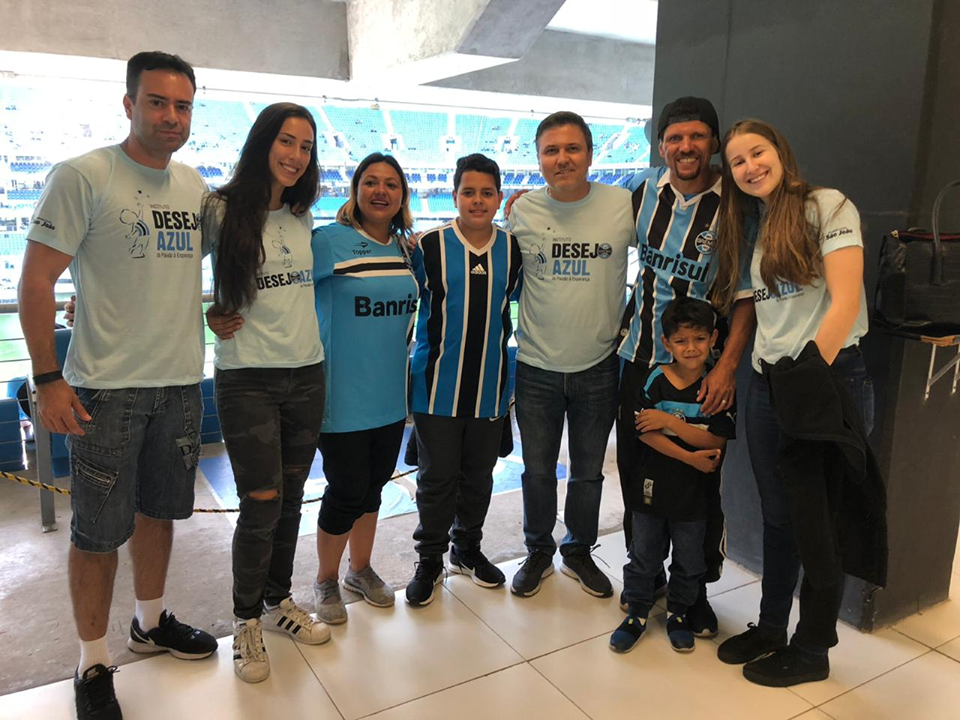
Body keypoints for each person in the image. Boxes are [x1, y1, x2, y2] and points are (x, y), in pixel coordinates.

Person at [17, 51, 216, 720]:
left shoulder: (194, 187)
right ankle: (92, 657)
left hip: (181, 385)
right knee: (96, 534)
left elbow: (226, 256)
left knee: (160, 513)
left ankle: (151, 621)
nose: (169, 116)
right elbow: (37, 281)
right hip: (104, 389)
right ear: (129, 103)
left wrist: (224, 309)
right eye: (156, 102)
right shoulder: (84, 175)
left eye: (182, 105)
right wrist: (47, 377)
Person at [713, 119, 878, 687]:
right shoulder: (755, 226)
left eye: (756, 153)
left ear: (779, 152)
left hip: (823, 382)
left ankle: (813, 650)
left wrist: (805, 380)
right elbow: (766, 311)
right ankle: (771, 627)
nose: (750, 166)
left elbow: (846, 299)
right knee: (779, 517)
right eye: (737, 162)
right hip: (767, 382)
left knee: (819, 524)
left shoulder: (828, 207)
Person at [616, 97, 756, 636]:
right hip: (638, 359)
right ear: (661, 146)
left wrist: (726, 370)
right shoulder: (644, 189)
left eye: (697, 136)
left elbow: (745, 297)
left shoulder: (737, 207)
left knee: (701, 483)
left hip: (703, 370)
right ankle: (645, 578)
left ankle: (694, 591)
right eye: (675, 138)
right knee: (638, 476)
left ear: (714, 143)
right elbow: (579, 199)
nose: (685, 147)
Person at [203, 103, 330, 683]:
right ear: (262, 143)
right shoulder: (222, 210)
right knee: (260, 502)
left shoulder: (303, 216)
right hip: (247, 377)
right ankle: (245, 621)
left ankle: (279, 602)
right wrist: (203, 312)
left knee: (293, 498)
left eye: (305, 146)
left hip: (307, 373)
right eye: (286, 141)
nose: (295, 155)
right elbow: (169, 271)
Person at [507, 111, 635, 599]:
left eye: (572, 149)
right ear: (539, 158)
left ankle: (578, 549)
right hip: (536, 365)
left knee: (587, 471)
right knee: (537, 470)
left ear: (590, 152)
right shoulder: (522, 211)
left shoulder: (623, 204)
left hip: (599, 364)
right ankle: (538, 549)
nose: (562, 159)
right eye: (551, 151)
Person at [404, 153, 521, 606]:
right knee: (436, 479)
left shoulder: (512, 250)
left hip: (490, 388)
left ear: (497, 197)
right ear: (454, 195)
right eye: (468, 192)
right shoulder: (427, 247)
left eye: (486, 192)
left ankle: (466, 550)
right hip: (435, 388)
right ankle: (429, 558)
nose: (477, 200)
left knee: (479, 477)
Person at [311, 153, 419, 622]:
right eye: (371, 182)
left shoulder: (406, 250)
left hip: (390, 398)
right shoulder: (328, 241)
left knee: (373, 488)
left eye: (391, 184)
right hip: (341, 397)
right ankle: (325, 579)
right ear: (355, 190)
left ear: (402, 196)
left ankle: (361, 569)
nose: (381, 191)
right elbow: (280, 292)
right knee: (345, 490)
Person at [609, 297, 735, 655]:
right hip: (652, 488)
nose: (690, 348)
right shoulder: (654, 379)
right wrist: (688, 454)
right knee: (644, 553)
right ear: (666, 344)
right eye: (681, 341)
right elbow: (644, 431)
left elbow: (715, 437)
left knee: (690, 557)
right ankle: (636, 612)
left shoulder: (717, 387)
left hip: (695, 495)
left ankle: (679, 613)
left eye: (698, 339)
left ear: (712, 339)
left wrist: (668, 423)